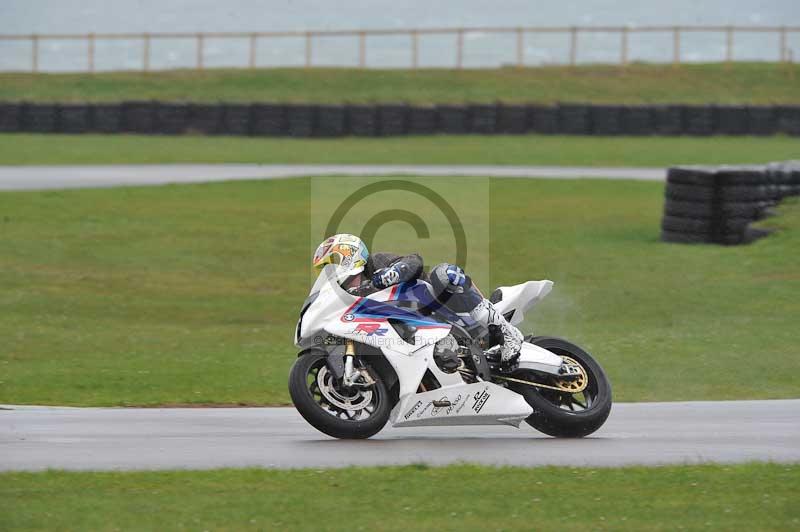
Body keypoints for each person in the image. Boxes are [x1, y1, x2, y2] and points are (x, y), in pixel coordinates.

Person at [311, 233, 524, 364]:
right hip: (419, 336)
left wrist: (387, 276)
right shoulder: (354, 299)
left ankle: (506, 332)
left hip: (446, 309)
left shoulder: (377, 262)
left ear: (349, 255)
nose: (332, 273)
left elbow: (414, 262)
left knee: (443, 273)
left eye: (333, 264)